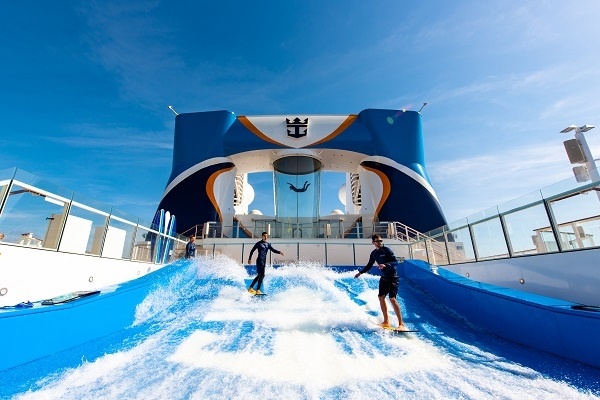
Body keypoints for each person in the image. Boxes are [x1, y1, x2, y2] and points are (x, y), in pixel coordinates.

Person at [354, 234, 407, 331]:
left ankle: (401, 324)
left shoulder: (386, 250)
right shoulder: (374, 254)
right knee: (381, 297)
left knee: (392, 299)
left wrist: (385, 265)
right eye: (377, 241)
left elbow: (395, 262)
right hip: (384, 277)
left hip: (393, 277)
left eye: (380, 241)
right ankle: (386, 321)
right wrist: (360, 273)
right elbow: (369, 265)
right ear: (373, 242)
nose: (379, 243)